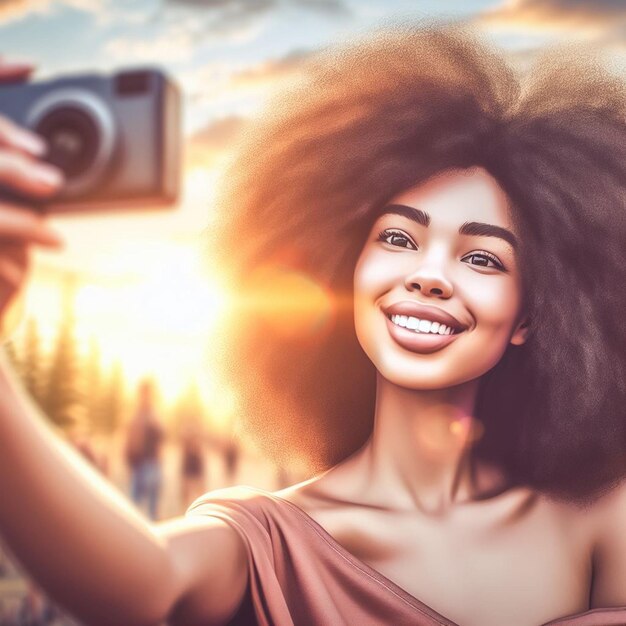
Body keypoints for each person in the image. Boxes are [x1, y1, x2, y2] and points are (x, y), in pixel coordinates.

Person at [0, 24, 625, 626]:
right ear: (346, 269)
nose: (429, 275)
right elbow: (145, 585)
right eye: (399, 238)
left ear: (536, 316)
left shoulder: (602, 519)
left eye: (482, 257)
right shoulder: (269, 540)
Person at [125, 379, 164, 520]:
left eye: (146, 393)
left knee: (150, 506)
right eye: (142, 393)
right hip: (138, 463)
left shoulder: (153, 414)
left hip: (151, 462)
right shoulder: (137, 414)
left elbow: (161, 435)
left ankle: (151, 527)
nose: (144, 396)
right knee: (135, 504)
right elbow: (130, 437)